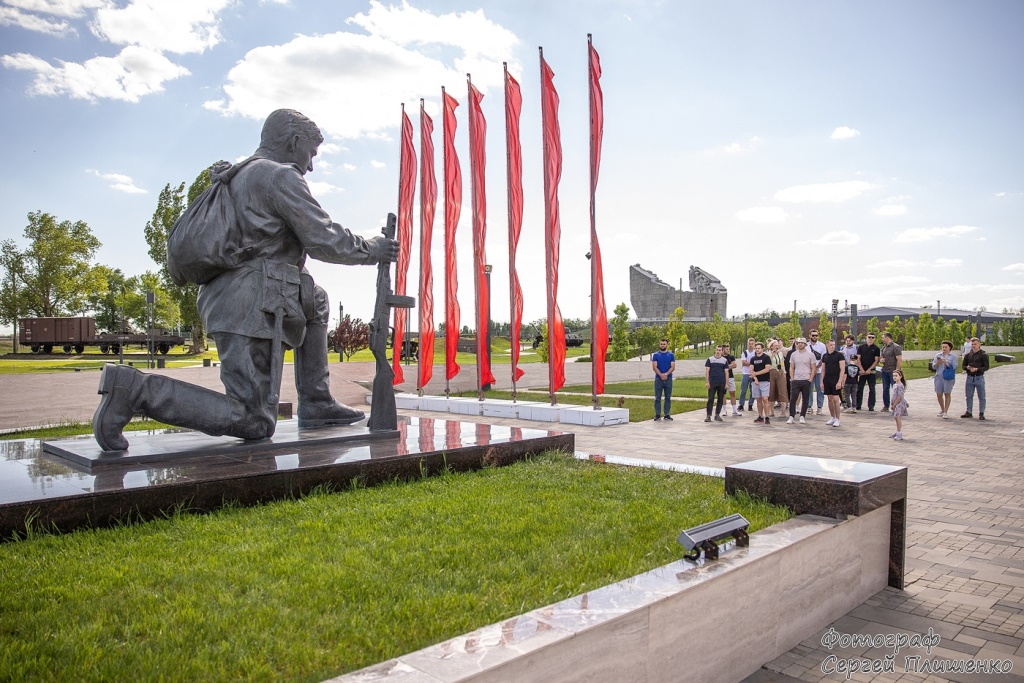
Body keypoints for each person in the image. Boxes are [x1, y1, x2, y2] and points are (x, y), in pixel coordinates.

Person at [93, 109, 400, 451]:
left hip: (232, 298)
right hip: (255, 304)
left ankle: (317, 400)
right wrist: (373, 248)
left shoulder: (238, 174)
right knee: (254, 420)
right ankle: (135, 390)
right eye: (311, 153)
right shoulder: (280, 176)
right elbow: (323, 239)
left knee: (316, 298)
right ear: (294, 141)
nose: (311, 165)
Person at [787, 337, 817, 424]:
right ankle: (791, 416)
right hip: (796, 379)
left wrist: (810, 379)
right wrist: (792, 378)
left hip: (806, 379)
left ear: (805, 344)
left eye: (802, 343)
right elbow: (791, 367)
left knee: (805, 399)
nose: (800, 344)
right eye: (798, 343)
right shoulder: (794, 354)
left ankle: (802, 416)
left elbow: (813, 368)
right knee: (793, 399)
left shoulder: (810, 355)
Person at [961, 337, 989, 420]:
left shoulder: (983, 355)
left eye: (975, 344)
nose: (974, 346)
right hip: (970, 377)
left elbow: (986, 367)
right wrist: (967, 368)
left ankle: (981, 412)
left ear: (979, 344)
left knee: (981, 396)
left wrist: (977, 369)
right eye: (972, 344)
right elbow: (963, 366)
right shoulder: (968, 355)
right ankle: (969, 412)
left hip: (979, 377)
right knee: (969, 396)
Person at [821, 338, 847, 427]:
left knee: (836, 399)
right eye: (831, 345)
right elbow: (823, 369)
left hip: (836, 379)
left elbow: (842, 369)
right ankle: (832, 417)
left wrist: (840, 381)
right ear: (827, 345)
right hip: (827, 379)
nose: (832, 347)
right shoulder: (825, 356)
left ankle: (837, 419)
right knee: (830, 398)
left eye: (833, 345)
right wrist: (822, 381)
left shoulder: (839, 355)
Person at [932, 340, 958, 419]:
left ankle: (946, 411)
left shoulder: (953, 356)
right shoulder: (938, 355)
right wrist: (938, 362)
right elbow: (933, 366)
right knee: (939, 394)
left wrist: (946, 363)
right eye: (943, 347)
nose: (944, 349)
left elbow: (955, 367)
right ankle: (942, 410)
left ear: (949, 348)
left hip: (948, 377)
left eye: (946, 347)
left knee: (947, 393)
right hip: (939, 377)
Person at [651, 338, 675, 421]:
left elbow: (672, 367)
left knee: (668, 397)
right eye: (661, 344)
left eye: (664, 344)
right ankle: (657, 415)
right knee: (657, 397)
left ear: (667, 345)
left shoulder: (671, 355)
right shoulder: (656, 355)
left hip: (668, 379)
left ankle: (666, 414)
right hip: (658, 379)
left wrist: (666, 374)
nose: (662, 345)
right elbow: (654, 367)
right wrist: (661, 375)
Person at [704, 345, 729, 422]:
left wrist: (726, 383)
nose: (718, 351)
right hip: (712, 382)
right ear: (715, 350)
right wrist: (707, 382)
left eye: (720, 350)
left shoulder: (724, 360)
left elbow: (726, 372)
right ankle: (708, 415)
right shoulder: (710, 359)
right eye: (717, 350)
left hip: (721, 382)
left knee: (720, 399)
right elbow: (707, 371)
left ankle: (717, 414)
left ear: (722, 351)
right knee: (710, 399)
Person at [878, 332, 903, 412]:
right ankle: (886, 405)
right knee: (885, 388)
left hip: (892, 371)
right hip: (885, 370)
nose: (882, 339)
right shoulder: (884, 348)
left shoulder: (896, 347)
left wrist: (897, 371)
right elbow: (881, 358)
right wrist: (881, 360)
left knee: (895, 388)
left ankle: (897, 405)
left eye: (883, 337)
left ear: (887, 338)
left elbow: (899, 359)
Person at [749, 342, 772, 424]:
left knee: (765, 399)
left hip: (765, 381)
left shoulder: (766, 357)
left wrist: (756, 373)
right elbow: (751, 370)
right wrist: (755, 378)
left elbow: (767, 369)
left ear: (762, 349)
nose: (757, 350)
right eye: (756, 348)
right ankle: (760, 416)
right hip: (756, 382)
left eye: (759, 348)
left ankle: (767, 416)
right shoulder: (753, 359)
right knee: (758, 399)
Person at [856, 333, 880, 411]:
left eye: (873, 338)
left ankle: (871, 405)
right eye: (869, 337)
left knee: (872, 389)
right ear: (866, 338)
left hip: (871, 372)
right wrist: (861, 369)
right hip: (862, 371)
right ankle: (858, 404)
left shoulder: (876, 348)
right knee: (860, 388)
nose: (871, 339)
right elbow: (858, 358)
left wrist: (870, 369)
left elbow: (876, 360)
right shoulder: (861, 347)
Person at [807, 329, 827, 414]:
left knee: (820, 388)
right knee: (809, 389)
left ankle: (819, 407)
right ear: (809, 335)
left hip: (819, 371)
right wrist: (811, 368)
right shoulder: (806, 346)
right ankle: (809, 406)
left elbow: (824, 358)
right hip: (809, 371)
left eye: (816, 335)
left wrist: (816, 367)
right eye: (813, 335)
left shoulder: (822, 345)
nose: (815, 337)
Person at [768, 340, 789, 417]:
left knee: (782, 391)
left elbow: (782, 363)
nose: (777, 346)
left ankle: (783, 412)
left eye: (778, 345)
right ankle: (772, 412)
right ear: (771, 346)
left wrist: (784, 372)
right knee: (771, 391)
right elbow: (767, 363)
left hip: (780, 371)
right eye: (775, 345)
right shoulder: (768, 354)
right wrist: (772, 355)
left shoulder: (780, 353)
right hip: (772, 372)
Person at [840, 334, 859, 412]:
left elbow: (858, 358)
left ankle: (852, 406)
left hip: (854, 369)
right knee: (845, 390)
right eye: (847, 340)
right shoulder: (843, 348)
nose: (848, 342)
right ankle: (845, 403)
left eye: (849, 341)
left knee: (852, 392)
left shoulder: (856, 348)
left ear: (853, 341)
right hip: (845, 368)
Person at [738, 337, 756, 412]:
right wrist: (752, 363)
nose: (750, 345)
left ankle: (750, 404)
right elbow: (744, 362)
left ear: (754, 344)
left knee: (753, 390)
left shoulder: (756, 352)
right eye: (749, 344)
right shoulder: (745, 353)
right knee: (743, 390)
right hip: (745, 373)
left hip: (753, 373)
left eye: (752, 344)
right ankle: (741, 404)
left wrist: (750, 363)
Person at [890, 369, 909, 440]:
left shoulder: (900, 385)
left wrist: (895, 404)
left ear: (900, 376)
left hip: (899, 404)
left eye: (896, 376)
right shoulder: (895, 385)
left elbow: (900, 396)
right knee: (896, 417)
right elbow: (894, 395)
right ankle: (897, 431)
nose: (894, 377)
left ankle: (899, 433)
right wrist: (892, 402)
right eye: (893, 376)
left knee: (897, 417)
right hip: (895, 403)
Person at [722, 343, 739, 416]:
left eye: (729, 349)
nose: (728, 350)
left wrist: (726, 367)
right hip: (722, 377)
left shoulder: (731, 357)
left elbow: (734, 365)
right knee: (723, 394)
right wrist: (729, 366)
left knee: (732, 393)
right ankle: (724, 410)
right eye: (726, 349)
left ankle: (735, 410)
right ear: (723, 349)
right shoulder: (720, 357)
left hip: (730, 377)